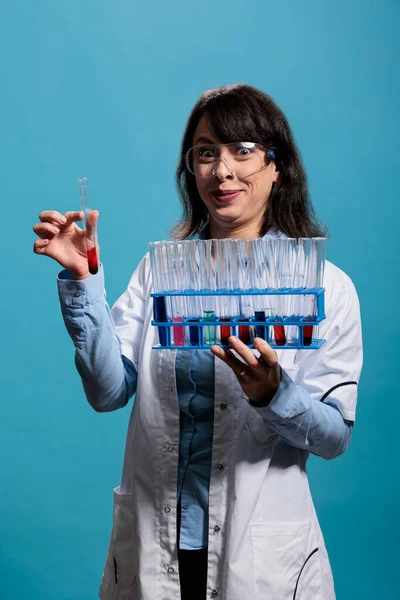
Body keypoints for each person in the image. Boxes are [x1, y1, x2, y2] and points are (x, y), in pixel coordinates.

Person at [33, 84, 363, 600]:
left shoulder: (325, 287)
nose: (222, 170)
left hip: (257, 558)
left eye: (243, 151)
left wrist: (273, 393)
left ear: (277, 166)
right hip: (156, 547)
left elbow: (333, 437)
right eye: (206, 153)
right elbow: (107, 392)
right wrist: (83, 281)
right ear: (192, 168)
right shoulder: (160, 273)